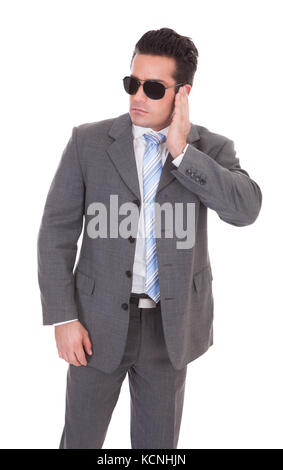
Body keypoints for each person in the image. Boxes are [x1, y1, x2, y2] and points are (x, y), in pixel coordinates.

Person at [37, 27, 262, 449]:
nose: (138, 96)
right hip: (94, 324)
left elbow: (246, 210)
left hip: (170, 329)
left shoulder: (209, 150)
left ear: (182, 93)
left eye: (154, 87)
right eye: (132, 83)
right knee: (80, 441)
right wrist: (63, 317)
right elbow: (55, 232)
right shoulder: (88, 142)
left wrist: (182, 152)